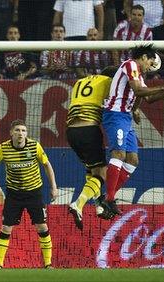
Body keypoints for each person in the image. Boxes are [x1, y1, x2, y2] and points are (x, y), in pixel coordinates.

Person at [101, 45, 164, 216]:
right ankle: (109, 199)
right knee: (119, 154)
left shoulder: (138, 74)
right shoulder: (131, 65)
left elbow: (149, 98)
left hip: (125, 117)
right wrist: (163, 86)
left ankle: (108, 197)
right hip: (115, 114)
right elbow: (138, 90)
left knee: (133, 160)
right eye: (150, 63)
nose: (149, 68)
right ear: (144, 57)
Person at [0, 120, 58, 269]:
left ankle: (48, 264)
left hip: (34, 193)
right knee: (6, 227)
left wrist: (54, 187)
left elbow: (47, 165)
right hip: (14, 194)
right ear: (11, 133)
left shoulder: (34, 146)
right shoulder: (3, 148)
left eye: (23, 131)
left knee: (42, 227)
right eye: (18, 130)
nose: (21, 133)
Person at [66, 67, 119, 230]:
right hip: (89, 129)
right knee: (102, 172)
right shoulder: (109, 82)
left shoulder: (80, 82)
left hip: (71, 132)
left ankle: (98, 205)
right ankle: (78, 204)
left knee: (92, 172)